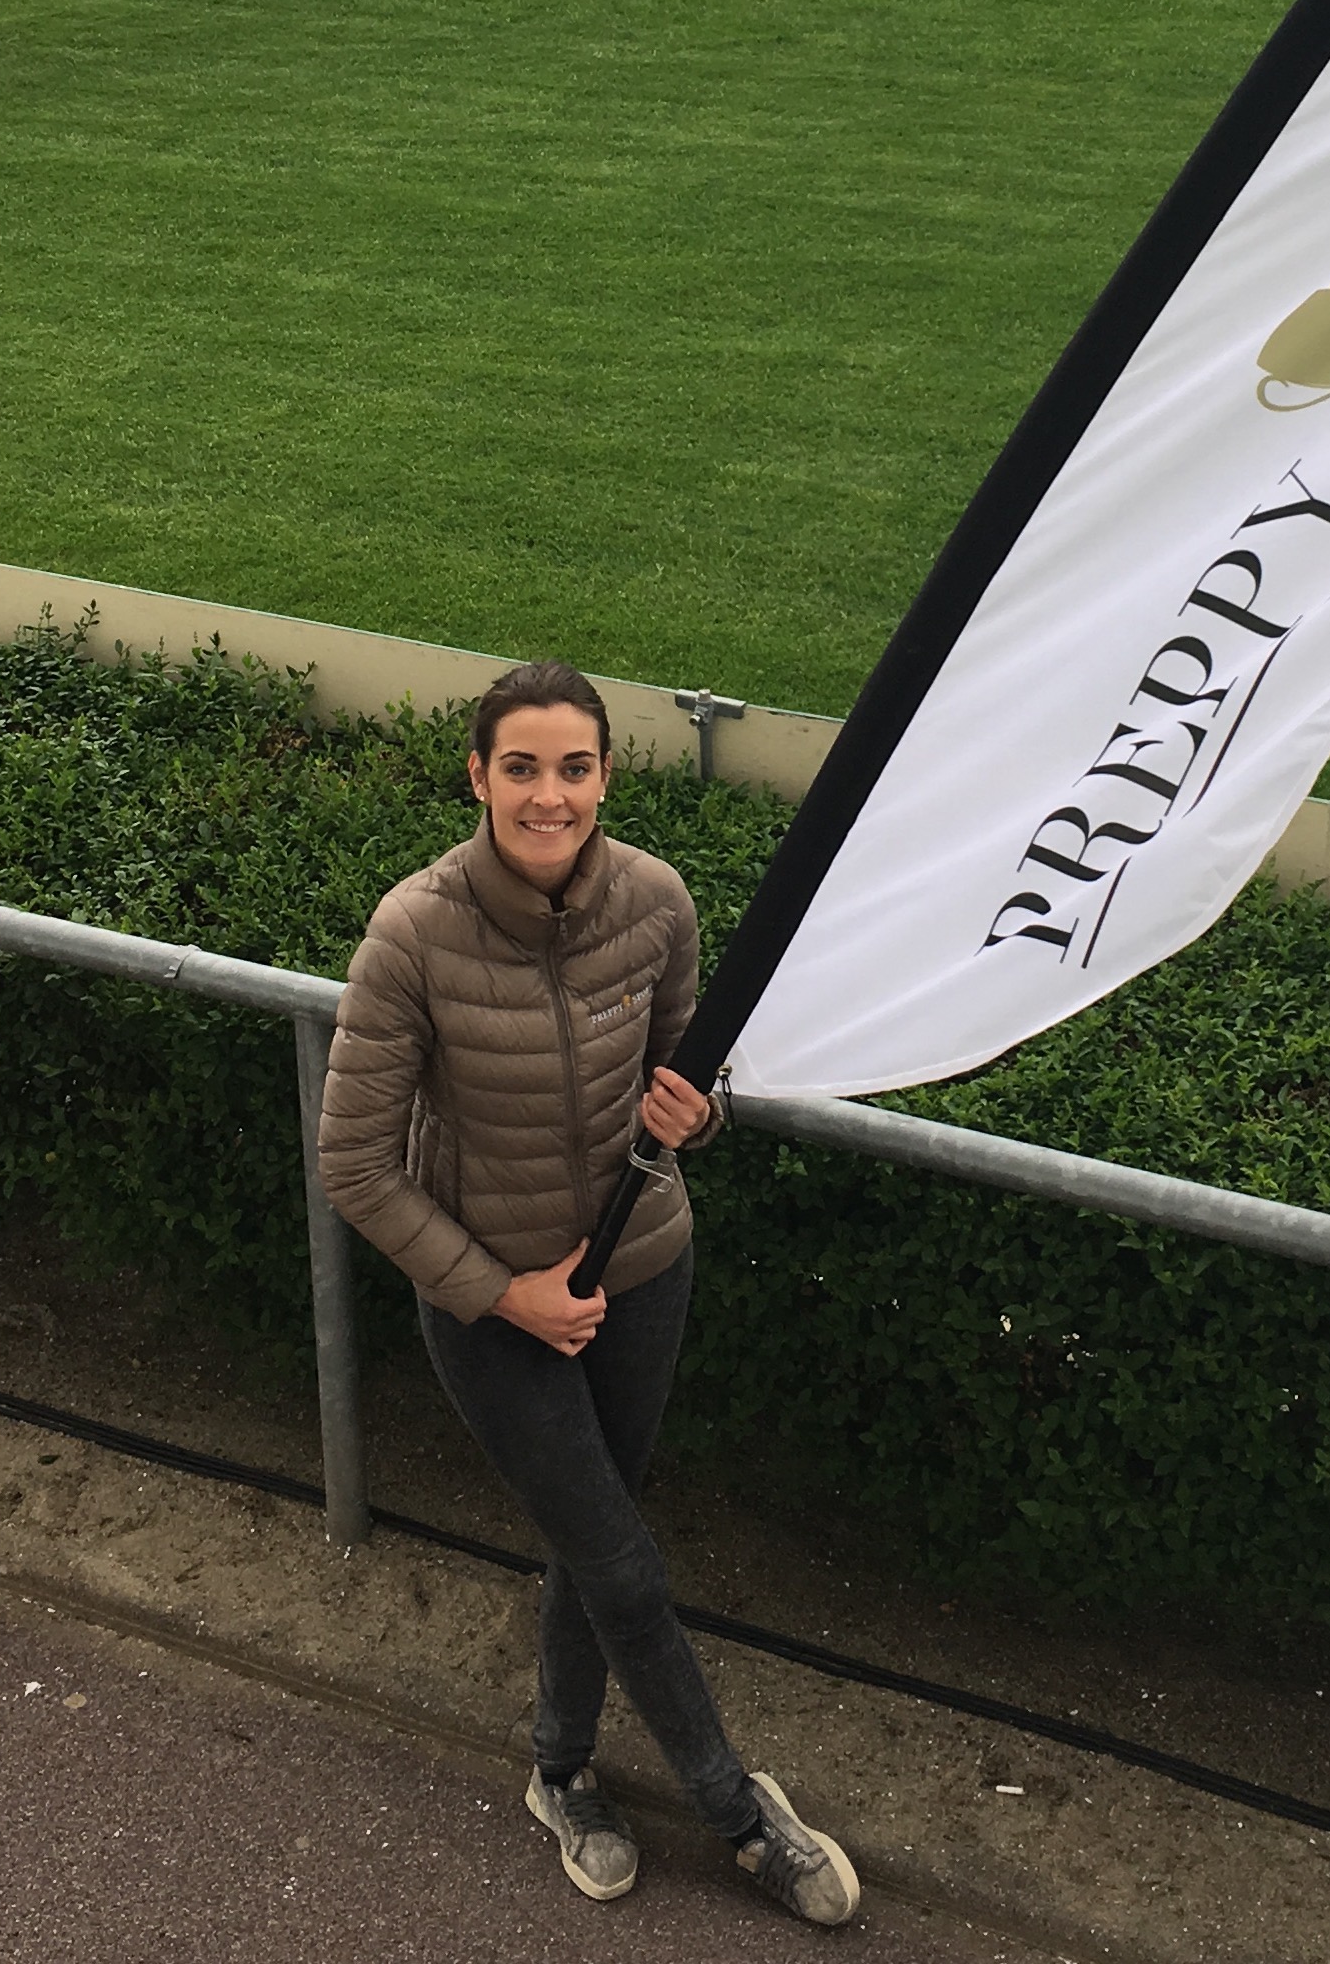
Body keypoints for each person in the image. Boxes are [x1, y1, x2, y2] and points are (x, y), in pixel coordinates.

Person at [318, 659, 859, 1926]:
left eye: (574, 768)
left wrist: (698, 1113)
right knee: (621, 1562)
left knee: (590, 1536)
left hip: (645, 1276)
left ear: (606, 775)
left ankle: (563, 1769)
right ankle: (741, 1815)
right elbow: (352, 1159)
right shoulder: (416, 929)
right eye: (522, 768)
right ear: (479, 776)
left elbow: (689, 1081)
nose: (548, 795)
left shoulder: (656, 900)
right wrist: (504, 1295)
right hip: (495, 1315)